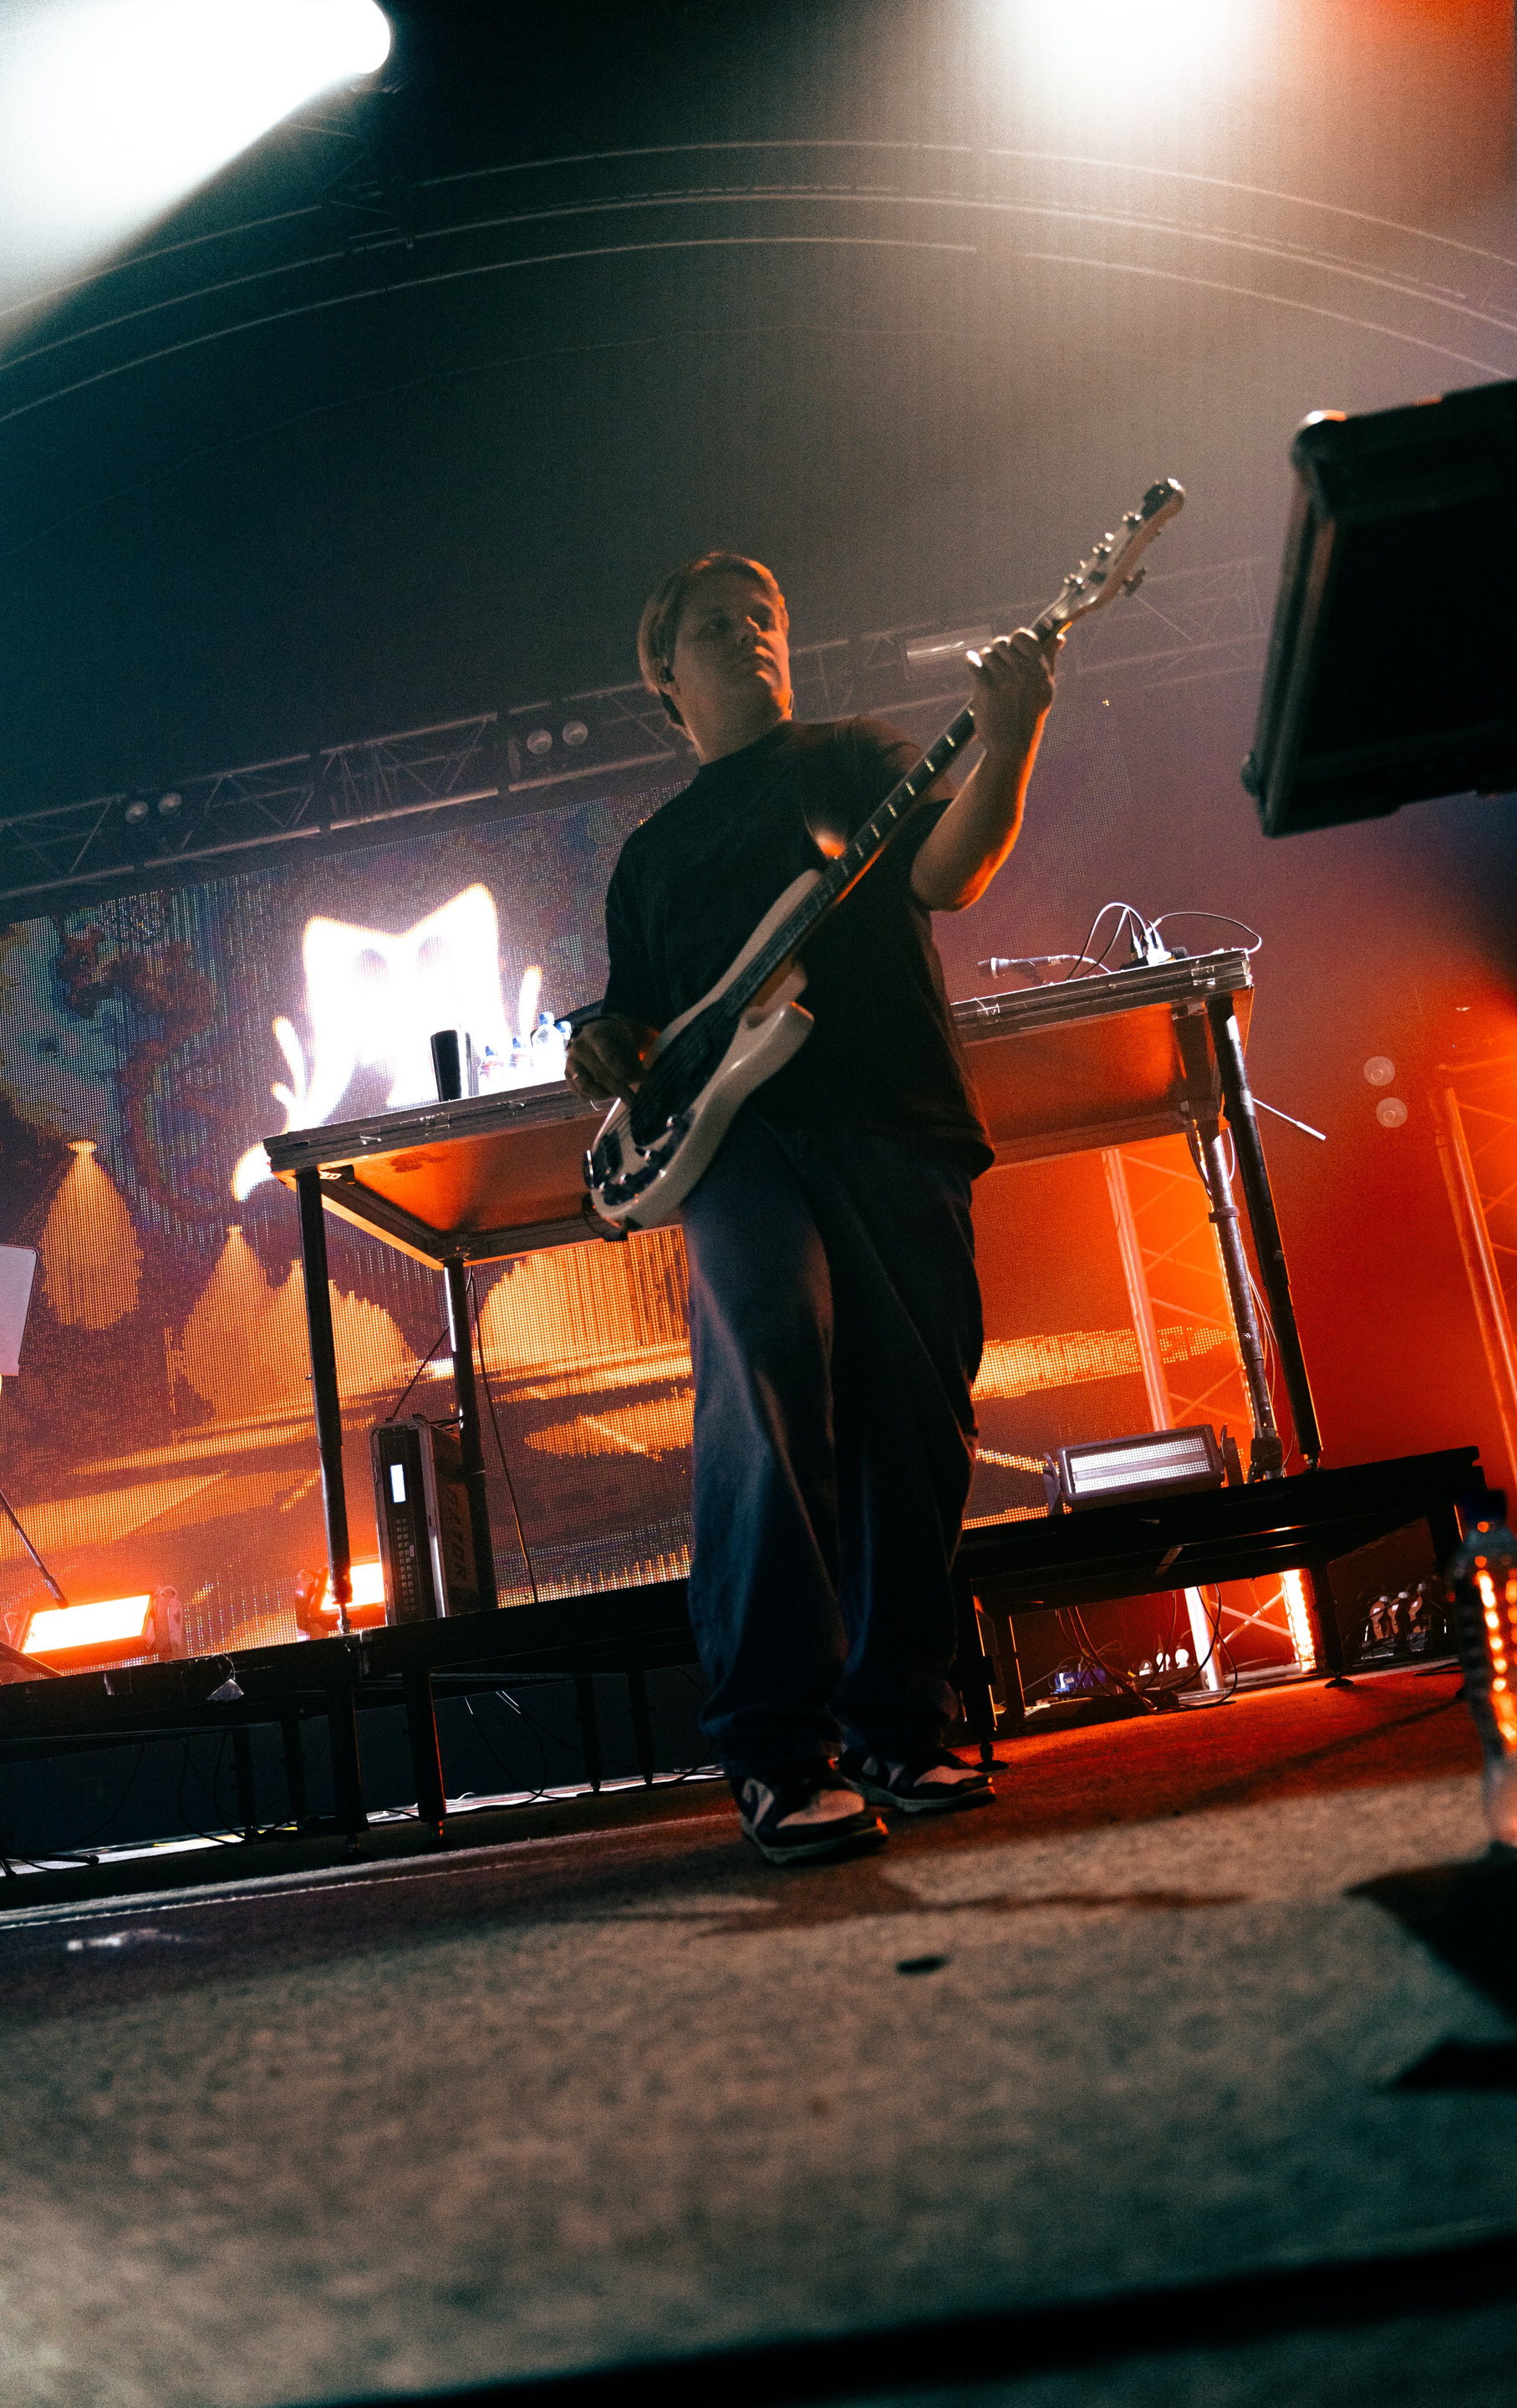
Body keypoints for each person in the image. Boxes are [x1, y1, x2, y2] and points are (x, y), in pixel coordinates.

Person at [566, 552, 1061, 1864]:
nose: (750, 633)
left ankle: (898, 1723)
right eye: (715, 624)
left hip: (894, 1112)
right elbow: (639, 1031)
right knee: (767, 1370)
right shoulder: (651, 856)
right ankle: (779, 1750)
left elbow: (947, 871)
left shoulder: (855, 755)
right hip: (738, 1147)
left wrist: (1012, 733)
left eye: (765, 616)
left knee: (915, 1420)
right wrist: (601, 1043)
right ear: (663, 673)